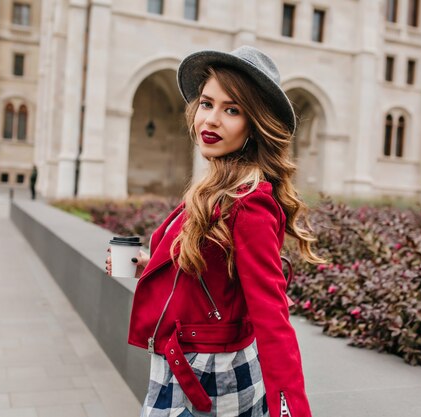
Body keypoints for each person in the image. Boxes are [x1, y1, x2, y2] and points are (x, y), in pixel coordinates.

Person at [106, 46, 322, 417]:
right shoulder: (217, 185)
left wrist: (292, 410)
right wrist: (148, 263)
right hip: (187, 366)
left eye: (232, 110)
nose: (212, 120)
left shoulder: (249, 201)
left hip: (209, 378)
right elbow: (212, 273)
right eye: (207, 104)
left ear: (255, 124)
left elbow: (272, 318)